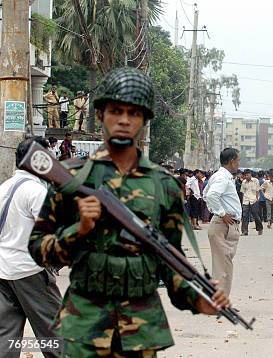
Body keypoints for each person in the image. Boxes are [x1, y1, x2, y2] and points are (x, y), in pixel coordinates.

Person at [29, 67, 230, 356]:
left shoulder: (164, 185)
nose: (124, 120)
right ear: (100, 114)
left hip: (142, 330)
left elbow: (169, 260)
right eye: (116, 110)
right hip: (84, 328)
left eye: (134, 113)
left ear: (145, 121)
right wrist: (79, 229)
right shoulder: (72, 178)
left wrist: (198, 299)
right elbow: (38, 250)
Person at [0, 137, 62, 358]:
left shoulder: (4, 188)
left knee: (6, 337)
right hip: (30, 271)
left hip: (4, 271)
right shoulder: (36, 191)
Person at [203, 148, 243, 297]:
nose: (238, 164)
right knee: (222, 267)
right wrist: (221, 213)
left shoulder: (220, 176)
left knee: (224, 265)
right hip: (223, 224)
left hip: (225, 224)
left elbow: (205, 194)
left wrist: (217, 211)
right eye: (238, 160)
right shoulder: (222, 178)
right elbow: (212, 195)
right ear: (232, 161)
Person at [240, 169, 263, 236]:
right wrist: (242, 202)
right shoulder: (243, 182)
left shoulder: (255, 180)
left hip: (254, 200)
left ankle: (259, 228)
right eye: (245, 175)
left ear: (250, 174)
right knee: (244, 216)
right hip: (246, 200)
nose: (247, 176)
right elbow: (242, 192)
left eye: (248, 175)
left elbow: (257, 190)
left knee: (256, 215)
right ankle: (244, 231)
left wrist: (257, 199)